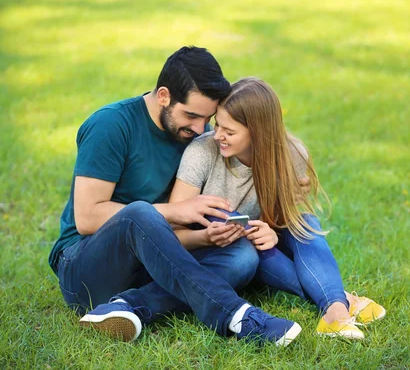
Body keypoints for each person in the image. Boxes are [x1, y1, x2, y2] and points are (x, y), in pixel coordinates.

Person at [47, 48, 302, 346]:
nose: (199, 130)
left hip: (154, 262)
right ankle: (236, 315)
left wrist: (207, 237)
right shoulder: (111, 125)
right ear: (164, 96)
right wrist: (173, 211)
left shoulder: (193, 136)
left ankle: (128, 306)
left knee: (242, 257)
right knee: (140, 213)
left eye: (207, 119)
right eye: (192, 115)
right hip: (85, 270)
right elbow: (87, 218)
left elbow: (160, 239)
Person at [169, 77, 386, 340]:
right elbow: (169, 231)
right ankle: (344, 301)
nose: (217, 135)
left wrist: (271, 230)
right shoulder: (202, 151)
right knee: (242, 238)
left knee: (304, 222)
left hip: (262, 244)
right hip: (224, 253)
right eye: (218, 125)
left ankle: (334, 314)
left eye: (230, 131)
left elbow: (284, 217)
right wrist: (206, 236)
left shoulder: (292, 154)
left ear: (258, 132)